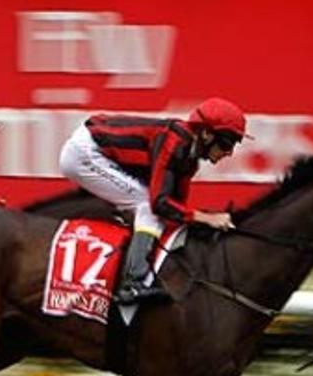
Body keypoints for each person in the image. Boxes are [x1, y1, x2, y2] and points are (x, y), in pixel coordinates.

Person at [59, 97, 250, 304]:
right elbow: (159, 203)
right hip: (84, 154)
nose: (229, 153)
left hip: (100, 149)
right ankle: (131, 285)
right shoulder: (173, 144)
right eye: (226, 143)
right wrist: (206, 218)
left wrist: (204, 219)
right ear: (206, 134)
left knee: (151, 207)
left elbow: (177, 207)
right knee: (146, 205)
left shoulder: (189, 158)